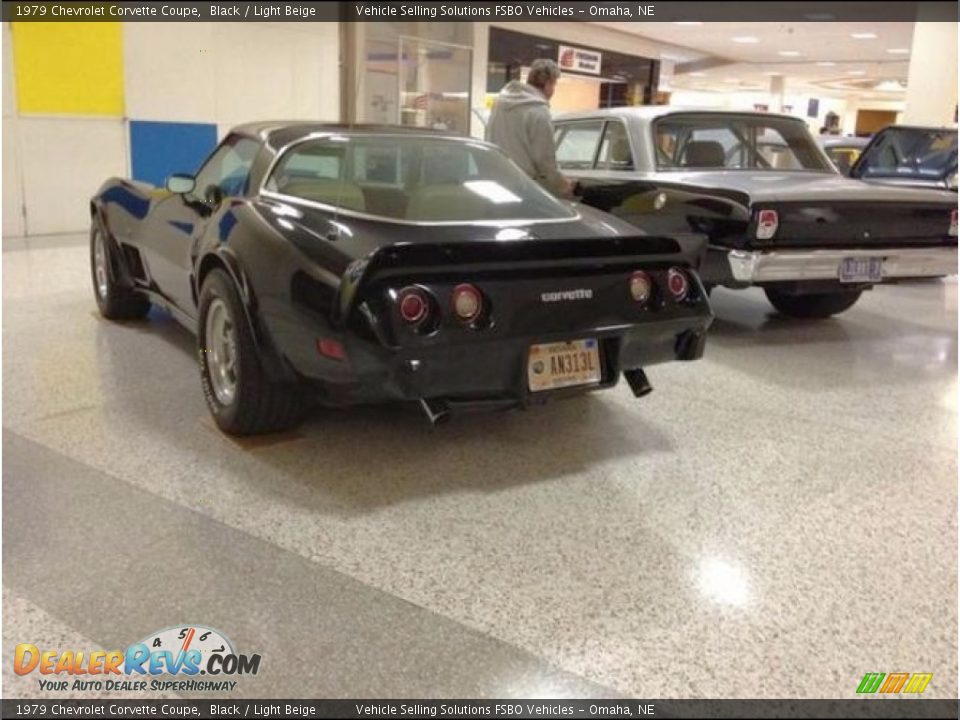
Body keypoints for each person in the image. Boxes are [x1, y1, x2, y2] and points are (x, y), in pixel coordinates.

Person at [485, 59, 576, 198]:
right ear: (548, 84)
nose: (553, 91)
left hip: (496, 183)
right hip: (523, 188)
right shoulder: (538, 110)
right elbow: (544, 159)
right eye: (554, 85)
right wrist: (562, 184)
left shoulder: (499, 105)